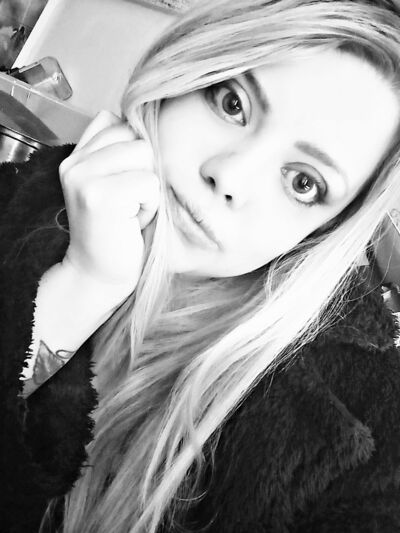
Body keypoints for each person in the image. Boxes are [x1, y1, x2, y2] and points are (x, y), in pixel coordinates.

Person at [2, 0, 400, 531]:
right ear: (184, 73)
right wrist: (84, 284)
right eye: (232, 103)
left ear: (326, 230)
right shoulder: (16, 202)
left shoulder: (371, 432)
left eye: (303, 182)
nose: (229, 176)